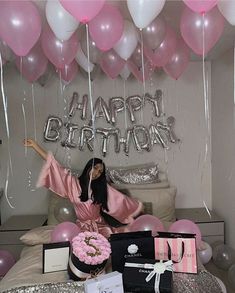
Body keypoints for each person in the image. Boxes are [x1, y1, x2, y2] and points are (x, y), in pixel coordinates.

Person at [24, 139, 143, 238]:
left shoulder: (103, 188)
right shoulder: (72, 184)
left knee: (106, 250)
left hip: (100, 227)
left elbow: (121, 201)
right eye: (95, 168)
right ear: (88, 167)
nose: (96, 172)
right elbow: (55, 165)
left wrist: (135, 212)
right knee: (81, 251)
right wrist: (35, 146)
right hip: (81, 228)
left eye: (100, 171)